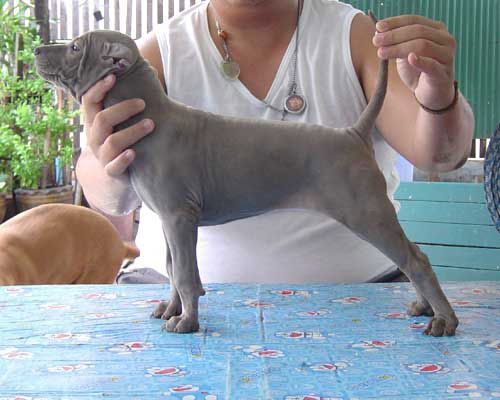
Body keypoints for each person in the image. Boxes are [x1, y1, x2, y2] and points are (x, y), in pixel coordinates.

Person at [76, 0, 474, 284]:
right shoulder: (154, 54)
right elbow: (109, 196)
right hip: (169, 297)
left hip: (361, 294)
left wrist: (438, 95)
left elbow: (439, 155)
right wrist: (111, 165)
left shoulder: (356, 38)